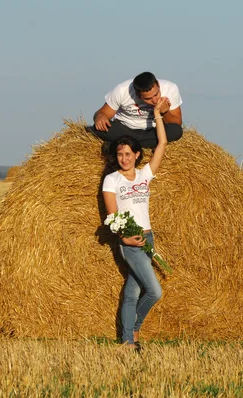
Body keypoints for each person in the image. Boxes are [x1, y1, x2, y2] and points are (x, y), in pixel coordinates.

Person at [102, 97, 169, 351]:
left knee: (132, 292)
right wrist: (124, 239)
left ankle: (128, 342)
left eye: (128, 154)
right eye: (119, 154)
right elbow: (112, 216)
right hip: (130, 242)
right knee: (154, 291)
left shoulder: (144, 175)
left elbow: (162, 143)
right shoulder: (111, 180)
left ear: (137, 154)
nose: (123, 158)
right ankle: (134, 332)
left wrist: (157, 115)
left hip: (148, 239)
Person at [89, 71, 183, 149]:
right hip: (124, 128)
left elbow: (176, 123)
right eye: (148, 99)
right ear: (138, 95)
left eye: (156, 94)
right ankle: (144, 144)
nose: (155, 100)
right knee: (96, 129)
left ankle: (121, 143)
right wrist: (100, 117)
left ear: (158, 85)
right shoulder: (122, 90)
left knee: (176, 131)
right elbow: (102, 113)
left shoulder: (170, 89)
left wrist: (165, 112)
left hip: (153, 131)